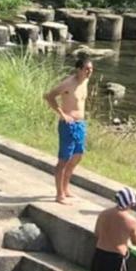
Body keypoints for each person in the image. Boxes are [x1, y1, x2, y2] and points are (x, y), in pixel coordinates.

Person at [43, 53, 93, 203]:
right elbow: (49, 96)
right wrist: (62, 114)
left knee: (77, 156)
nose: (89, 72)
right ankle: (59, 194)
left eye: (91, 69)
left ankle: (66, 188)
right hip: (68, 125)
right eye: (86, 69)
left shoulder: (85, 82)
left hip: (80, 125)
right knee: (64, 160)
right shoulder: (68, 83)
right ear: (78, 69)